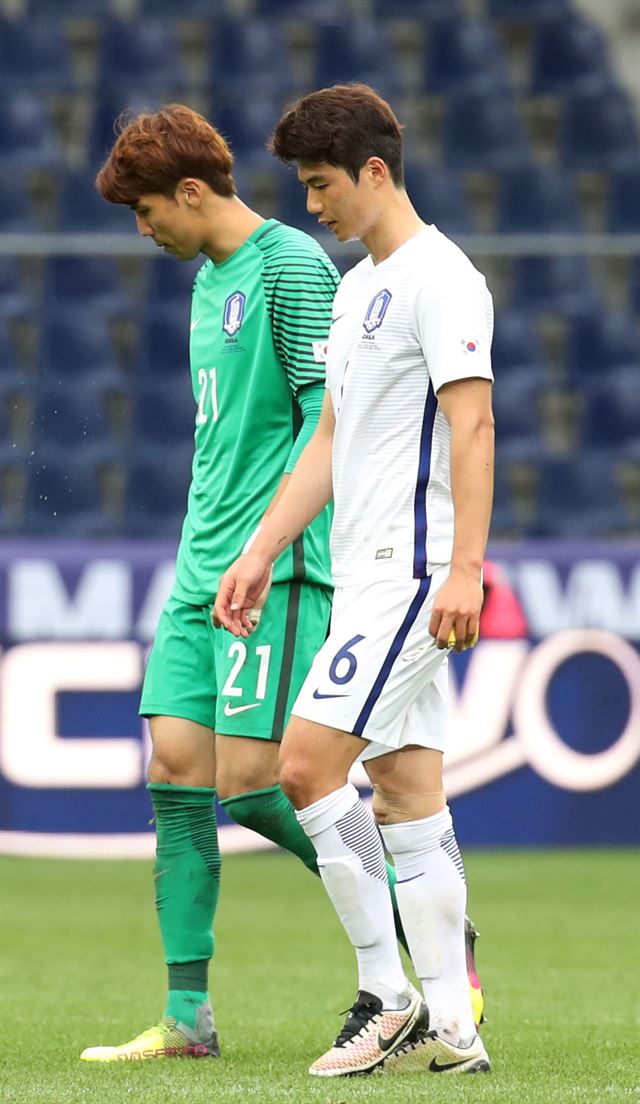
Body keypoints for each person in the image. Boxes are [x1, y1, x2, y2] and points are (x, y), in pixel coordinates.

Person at [79, 104, 484, 1063]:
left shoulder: (296, 268)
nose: (144, 233)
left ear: (188, 191)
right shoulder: (211, 279)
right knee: (178, 770)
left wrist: (265, 547)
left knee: (267, 783)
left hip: (295, 566)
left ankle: (420, 952)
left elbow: (328, 423)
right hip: (200, 564)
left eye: (145, 213)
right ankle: (187, 1018)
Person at [214, 84, 495, 1077]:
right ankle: (456, 1027)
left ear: (374, 171)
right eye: (304, 187)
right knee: (410, 798)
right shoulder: (351, 289)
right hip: (362, 571)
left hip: (414, 575)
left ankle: (387, 991)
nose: (313, 206)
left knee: (301, 768)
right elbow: (329, 438)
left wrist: (465, 569)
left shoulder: (442, 280)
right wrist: (259, 550)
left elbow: (472, 424)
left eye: (322, 184)